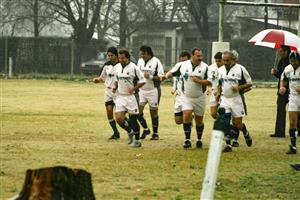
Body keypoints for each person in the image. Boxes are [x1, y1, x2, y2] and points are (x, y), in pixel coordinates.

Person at [161, 47, 211, 149]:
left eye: (201, 56)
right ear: (192, 56)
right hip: (186, 96)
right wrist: (165, 76)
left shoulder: (205, 67)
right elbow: (173, 72)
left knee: (199, 120)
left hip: (200, 97)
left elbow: (210, 81)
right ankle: (187, 140)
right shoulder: (183, 65)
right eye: (198, 56)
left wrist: (199, 81)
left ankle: (199, 139)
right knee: (187, 115)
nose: (200, 58)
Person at [217, 50, 253, 152]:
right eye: (223, 60)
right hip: (225, 99)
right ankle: (228, 145)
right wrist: (219, 93)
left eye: (227, 60)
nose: (225, 62)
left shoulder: (241, 69)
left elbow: (250, 83)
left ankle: (245, 132)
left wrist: (239, 87)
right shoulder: (220, 70)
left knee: (237, 124)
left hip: (236, 99)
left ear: (233, 60)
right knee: (225, 121)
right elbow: (220, 83)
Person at [93, 47, 129, 140]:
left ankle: (131, 129)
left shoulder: (121, 65)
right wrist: (98, 80)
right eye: (108, 55)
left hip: (118, 92)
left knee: (120, 114)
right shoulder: (106, 65)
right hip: (108, 92)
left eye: (111, 55)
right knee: (109, 112)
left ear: (116, 55)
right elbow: (102, 77)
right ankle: (116, 133)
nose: (109, 57)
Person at [113, 48, 146, 148]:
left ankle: (137, 140)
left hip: (132, 97)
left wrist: (134, 88)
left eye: (123, 58)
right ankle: (130, 131)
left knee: (133, 120)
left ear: (127, 58)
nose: (121, 60)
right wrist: (115, 86)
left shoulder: (134, 68)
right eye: (119, 58)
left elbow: (143, 81)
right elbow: (116, 79)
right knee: (119, 119)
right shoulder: (117, 67)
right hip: (121, 96)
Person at [136, 45, 164, 140]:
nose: (141, 55)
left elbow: (161, 77)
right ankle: (146, 129)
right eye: (141, 53)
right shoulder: (139, 61)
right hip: (142, 90)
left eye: (143, 54)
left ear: (148, 53)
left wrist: (151, 77)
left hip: (153, 90)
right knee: (137, 111)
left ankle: (155, 134)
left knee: (153, 112)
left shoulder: (156, 62)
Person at [278, 51, 300, 154]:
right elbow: (283, 79)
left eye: (295, 61)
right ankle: (293, 146)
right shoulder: (288, 69)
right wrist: (282, 87)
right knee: (292, 122)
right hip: (293, 97)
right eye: (292, 61)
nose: (294, 63)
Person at [270, 46, 291, 138]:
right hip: (281, 90)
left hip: (292, 90)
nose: (279, 53)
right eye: (279, 51)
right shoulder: (280, 61)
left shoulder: (292, 61)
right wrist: (275, 73)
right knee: (280, 110)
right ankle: (279, 132)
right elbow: (281, 76)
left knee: (296, 111)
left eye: (281, 51)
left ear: (286, 51)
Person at [170, 51, 191, 125]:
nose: (183, 63)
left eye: (185, 61)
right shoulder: (178, 67)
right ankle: (190, 118)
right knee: (178, 121)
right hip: (178, 96)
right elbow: (175, 78)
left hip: (187, 96)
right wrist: (174, 88)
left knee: (186, 117)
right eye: (181, 60)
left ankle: (189, 119)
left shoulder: (190, 69)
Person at [207, 51, 223, 119]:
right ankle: (223, 122)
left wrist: (219, 92)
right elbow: (209, 80)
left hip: (224, 93)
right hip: (214, 92)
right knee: (213, 114)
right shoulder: (211, 68)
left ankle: (225, 125)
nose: (217, 62)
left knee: (224, 111)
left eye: (219, 61)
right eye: (216, 61)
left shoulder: (226, 68)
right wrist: (208, 89)